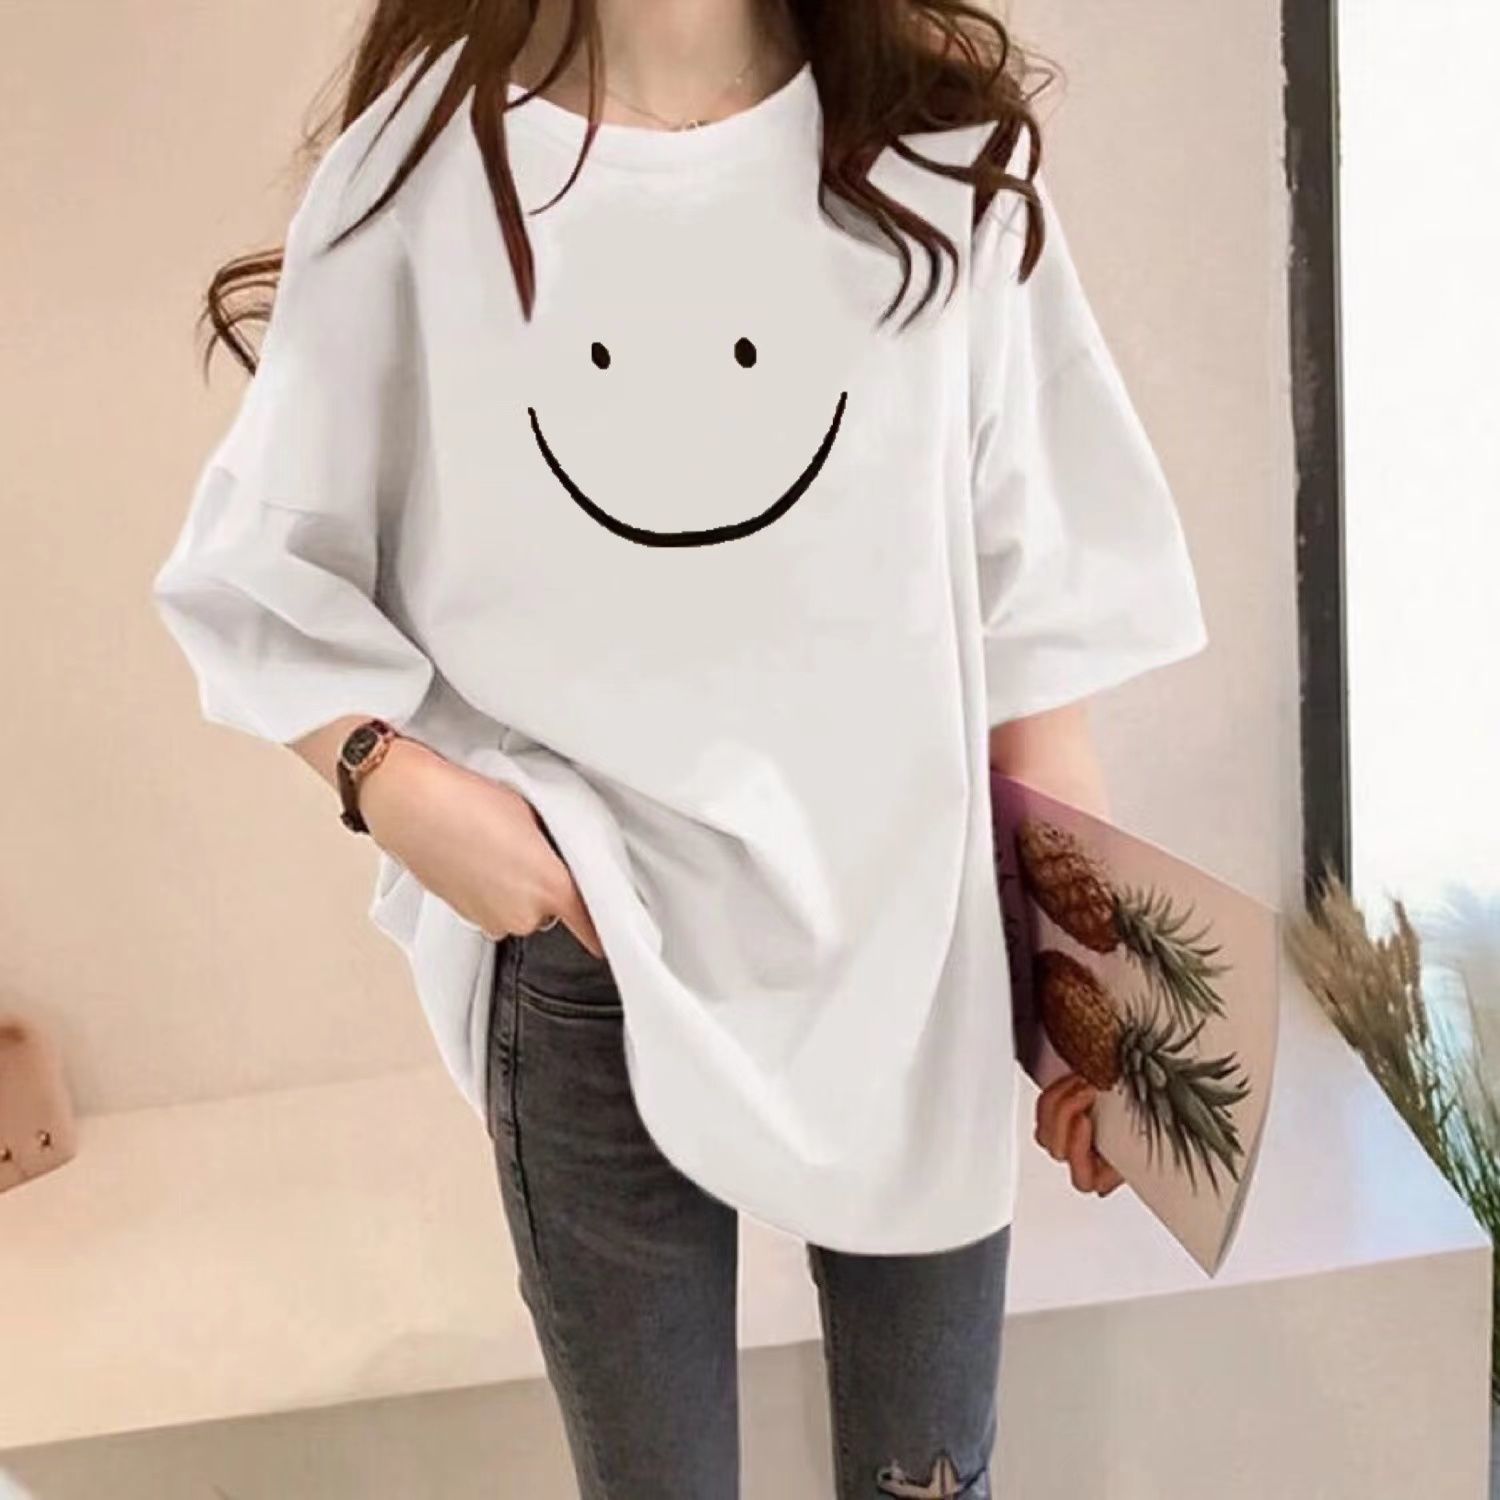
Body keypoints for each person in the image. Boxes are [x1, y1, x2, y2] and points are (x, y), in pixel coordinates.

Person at [151, 1, 1209, 1494]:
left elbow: (1032, 626)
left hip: (916, 955)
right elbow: (258, 569)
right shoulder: (427, 167)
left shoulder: (941, 161)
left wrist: (1090, 996)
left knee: (932, 1483)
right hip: (591, 955)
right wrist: (394, 785)